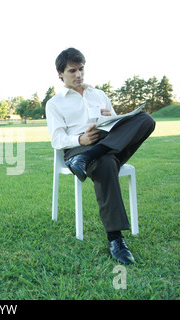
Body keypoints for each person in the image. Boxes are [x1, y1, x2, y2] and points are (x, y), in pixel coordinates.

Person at [45, 48, 156, 264]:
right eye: (72, 70)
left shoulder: (98, 94)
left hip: (110, 144)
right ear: (60, 74)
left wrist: (112, 117)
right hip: (80, 148)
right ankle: (115, 239)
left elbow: (119, 125)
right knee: (105, 163)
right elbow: (57, 139)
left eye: (81, 69)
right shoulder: (55, 103)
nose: (79, 74)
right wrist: (81, 140)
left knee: (146, 120)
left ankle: (90, 157)